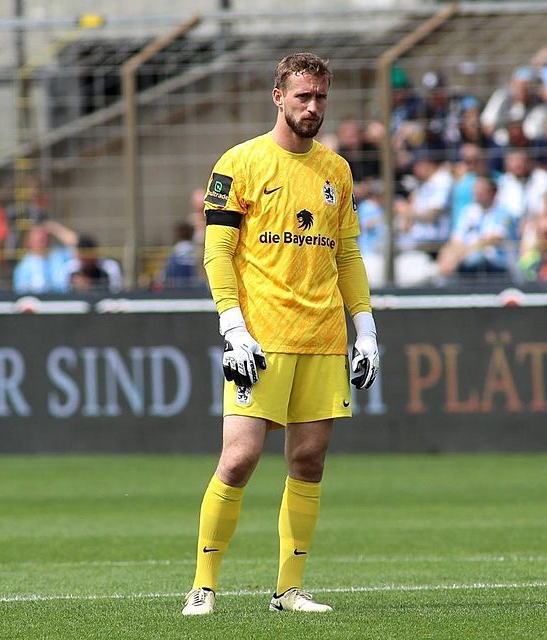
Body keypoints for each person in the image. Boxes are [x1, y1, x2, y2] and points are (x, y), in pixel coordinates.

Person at [181, 52, 379, 617]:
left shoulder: (335, 170)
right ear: (278, 97)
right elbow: (217, 253)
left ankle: (288, 589)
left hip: (321, 335)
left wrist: (364, 330)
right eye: (303, 97)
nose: (313, 107)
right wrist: (231, 326)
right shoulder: (239, 164)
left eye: (320, 97)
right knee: (240, 458)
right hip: (260, 338)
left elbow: (347, 255)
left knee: (309, 460)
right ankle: (203, 584)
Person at [12, 220, 77, 294]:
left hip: (63, 300)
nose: (42, 243)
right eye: (38, 240)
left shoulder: (59, 256)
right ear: (29, 242)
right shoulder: (24, 267)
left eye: (44, 238)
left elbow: (75, 242)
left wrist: (55, 228)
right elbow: (22, 292)